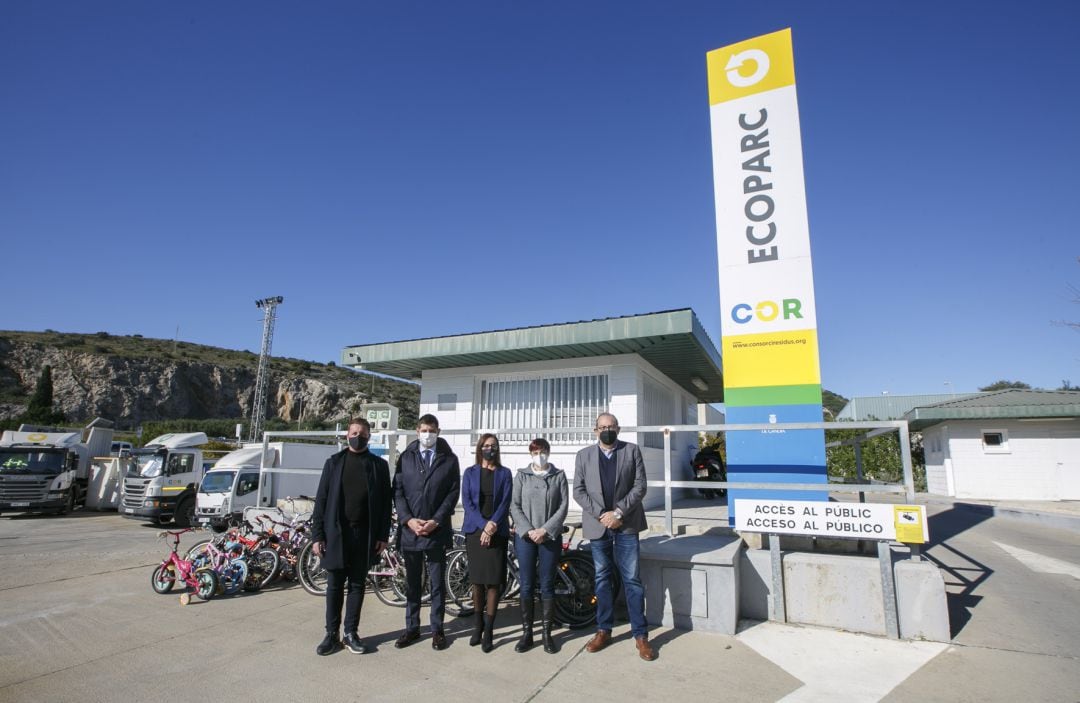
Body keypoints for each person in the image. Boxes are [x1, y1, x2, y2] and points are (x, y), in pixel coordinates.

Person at [572, 413, 656, 661]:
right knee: (602, 579)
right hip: (599, 526)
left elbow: (640, 485)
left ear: (618, 429)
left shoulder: (631, 451)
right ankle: (603, 630)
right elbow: (578, 490)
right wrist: (602, 515)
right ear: (594, 430)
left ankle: (640, 635)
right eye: (602, 427)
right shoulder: (584, 455)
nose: (607, 430)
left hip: (626, 523)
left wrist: (618, 512)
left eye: (611, 427)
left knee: (632, 580)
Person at [310, 417, 392, 656]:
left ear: (369, 436)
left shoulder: (378, 466)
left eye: (364, 433)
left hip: (364, 535)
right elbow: (321, 501)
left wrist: (382, 535)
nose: (359, 436)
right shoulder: (334, 463)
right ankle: (331, 635)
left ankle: (350, 633)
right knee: (334, 586)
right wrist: (317, 535)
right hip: (336, 534)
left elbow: (386, 505)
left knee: (357, 585)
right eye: (355, 432)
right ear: (347, 435)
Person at [392, 413, 461, 651]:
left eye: (432, 430)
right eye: (424, 430)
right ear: (417, 430)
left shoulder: (449, 459)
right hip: (411, 531)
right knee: (412, 583)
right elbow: (398, 491)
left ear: (438, 432)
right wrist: (408, 520)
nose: (428, 434)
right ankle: (412, 628)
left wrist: (436, 520)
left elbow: (452, 494)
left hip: (436, 532)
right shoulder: (406, 457)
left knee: (437, 583)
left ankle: (437, 630)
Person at [509, 437, 568, 654]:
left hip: (549, 537)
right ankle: (527, 634)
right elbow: (514, 505)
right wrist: (528, 530)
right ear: (530, 454)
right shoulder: (522, 475)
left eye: (543, 451)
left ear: (549, 452)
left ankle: (546, 634)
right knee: (526, 584)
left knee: (547, 585)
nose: (539, 455)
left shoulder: (558, 476)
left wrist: (545, 530)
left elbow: (563, 505)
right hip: (526, 537)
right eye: (535, 452)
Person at [460, 433, 513, 652]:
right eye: (486, 445)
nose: (489, 449)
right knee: (478, 582)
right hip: (475, 530)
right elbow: (467, 503)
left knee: (493, 582)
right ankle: (477, 625)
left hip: (497, 531)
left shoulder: (505, 473)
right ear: (480, 448)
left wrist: (492, 525)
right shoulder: (469, 473)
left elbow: (505, 501)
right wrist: (483, 525)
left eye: (493, 446)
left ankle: (489, 629)